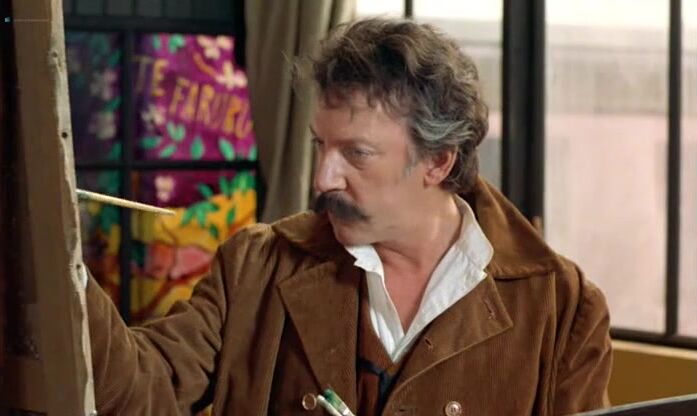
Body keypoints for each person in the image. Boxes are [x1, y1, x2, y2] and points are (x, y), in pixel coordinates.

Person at [86, 18, 612, 415]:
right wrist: (61, 255)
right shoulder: (255, 267)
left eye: (356, 154)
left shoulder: (562, 310)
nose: (323, 179)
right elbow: (138, 391)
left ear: (437, 161)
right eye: (320, 146)